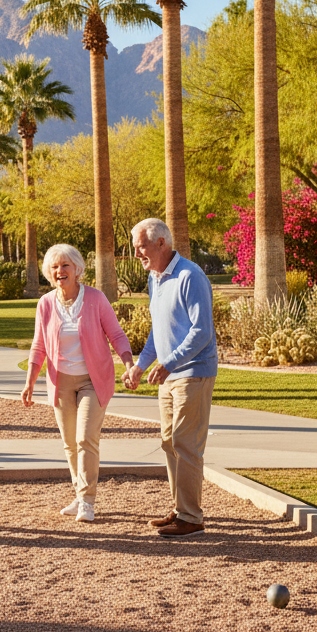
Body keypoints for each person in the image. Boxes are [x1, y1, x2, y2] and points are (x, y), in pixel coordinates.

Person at [20, 244, 134, 522]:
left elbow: (116, 334)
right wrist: (30, 382)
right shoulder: (46, 303)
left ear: (77, 269)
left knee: (85, 438)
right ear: (50, 272)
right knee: (70, 443)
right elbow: (38, 346)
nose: (60, 271)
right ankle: (79, 493)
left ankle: (87, 500)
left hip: (93, 380)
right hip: (61, 382)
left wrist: (129, 363)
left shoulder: (95, 298)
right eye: (55, 267)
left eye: (65, 265)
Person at [123, 218, 217, 539]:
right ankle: (180, 509)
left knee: (185, 444)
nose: (137, 254)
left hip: (193, 372)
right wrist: (141, 365)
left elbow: (201, 331)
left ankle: (192, 517)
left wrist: (170, 362)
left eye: (141, 247)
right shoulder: (156, 279)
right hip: (168, 376)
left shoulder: (190, 275)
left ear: (161, 243)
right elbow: (157, 332)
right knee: (168, 442)